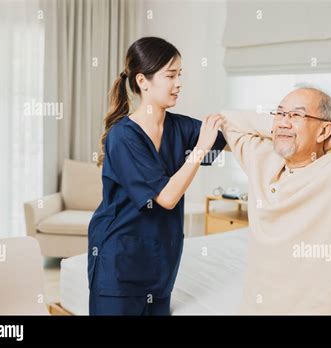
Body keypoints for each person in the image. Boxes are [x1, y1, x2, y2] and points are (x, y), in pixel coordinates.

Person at [219, 86, 331, 314]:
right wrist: (281, 125)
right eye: (279, 113)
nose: (284, 121)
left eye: (297, 115)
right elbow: (225, 118)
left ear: (324, 130)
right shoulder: (262, 158)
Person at [88, 37, 227, 315]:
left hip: (161, 264)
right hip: (119, 264)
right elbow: (166, 197)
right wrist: (199, 150)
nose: (178, 84)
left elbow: (231, 136)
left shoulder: (180, 127)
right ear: (143, 80)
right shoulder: (123, 136)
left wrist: (284, 128)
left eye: (180, 75)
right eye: (170, 75)